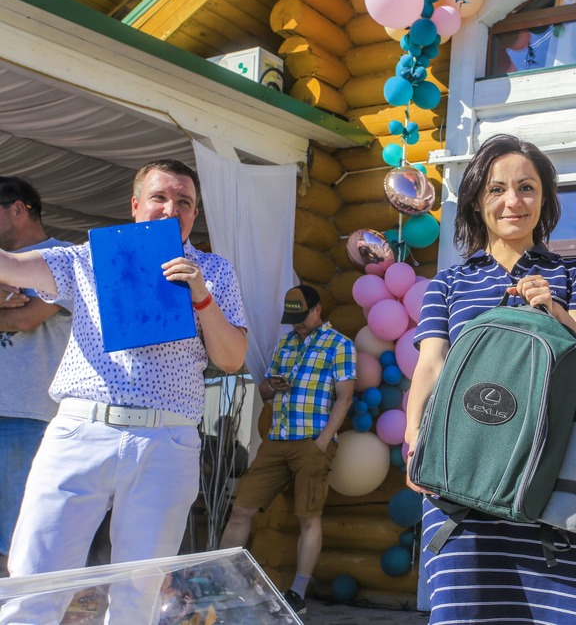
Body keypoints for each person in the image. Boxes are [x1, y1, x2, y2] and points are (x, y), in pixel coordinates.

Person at [0, 159, 248, 624]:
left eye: (184, 202)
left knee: (138, 597)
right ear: (136, 206)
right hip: (81, 431)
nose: (171, 208)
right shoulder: (91, 257)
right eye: (159, 198)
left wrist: (201, 294)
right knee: (33, 583)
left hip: (166, 442)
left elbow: (232, 358)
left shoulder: (213, 270)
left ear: (194, 215)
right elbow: (11, 266)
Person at [405, 134, 576, 623]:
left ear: (545, 200)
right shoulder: (449, 283)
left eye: (527, 188)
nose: (512, 201)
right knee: (464, 612)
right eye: (497, 189)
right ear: (478, 200)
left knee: (556, 613)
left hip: (548, 477)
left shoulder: (574, 274)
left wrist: (554, 308)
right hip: (462, 474)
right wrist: (414, 442)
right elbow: (431, 364)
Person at [219, 284, 356, 616]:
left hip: (311, 442)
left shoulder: (340, 344)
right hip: (277, 440)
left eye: (302, 317)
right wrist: (271, 385)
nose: (297, 324)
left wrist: (322, 443)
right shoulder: (285, 343)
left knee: (309, 518)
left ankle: (297, 593)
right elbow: (265, 391)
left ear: (317, 310)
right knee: (241, 509)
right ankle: (221, 581)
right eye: (292, 318)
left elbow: (345, 397)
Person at [0, 177, 72, 576]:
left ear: (18, 208)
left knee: (16, 539)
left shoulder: (62, 257)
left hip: (27, 414)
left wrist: (12, 304)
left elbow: (28, 318)